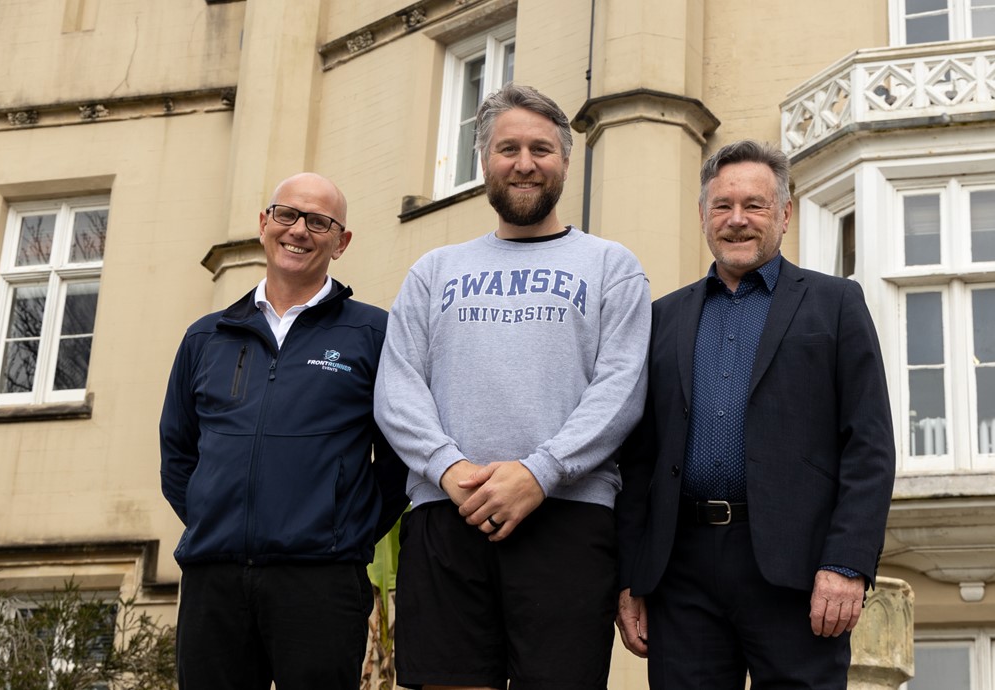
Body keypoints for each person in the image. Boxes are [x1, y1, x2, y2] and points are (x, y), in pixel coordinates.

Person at [374, 83, 650, 690]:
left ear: (566, 163)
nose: (525, 163)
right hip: (447, 516)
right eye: (508, 149)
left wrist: (540, 473)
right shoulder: (433, 271)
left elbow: (621, 390)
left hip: (569, 517)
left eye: (541, 149)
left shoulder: (612, 266)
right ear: (484, 162)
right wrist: (449, 469)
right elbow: (397, 389)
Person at [614, 140, 896, 689]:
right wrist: (632, 576)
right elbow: (638, 458)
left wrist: (848, 563)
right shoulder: (662, 318)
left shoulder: (836, 304)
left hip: (798, 570)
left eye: (755, 205)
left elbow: (869, 445)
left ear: (785, 214)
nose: (737, 220)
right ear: (703, 216)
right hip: (681, 572)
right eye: (722, 206)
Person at [159, 172, 408, 690]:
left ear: (341, 243)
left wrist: (346, 530)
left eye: (320, 221)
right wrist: (218, 518)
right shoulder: (206, 337)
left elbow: (399, 459)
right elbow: (178, 453)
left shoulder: (373, 334)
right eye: (287, 215)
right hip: (214, 578)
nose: (299, 230)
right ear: (264, 224)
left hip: (320, 580)